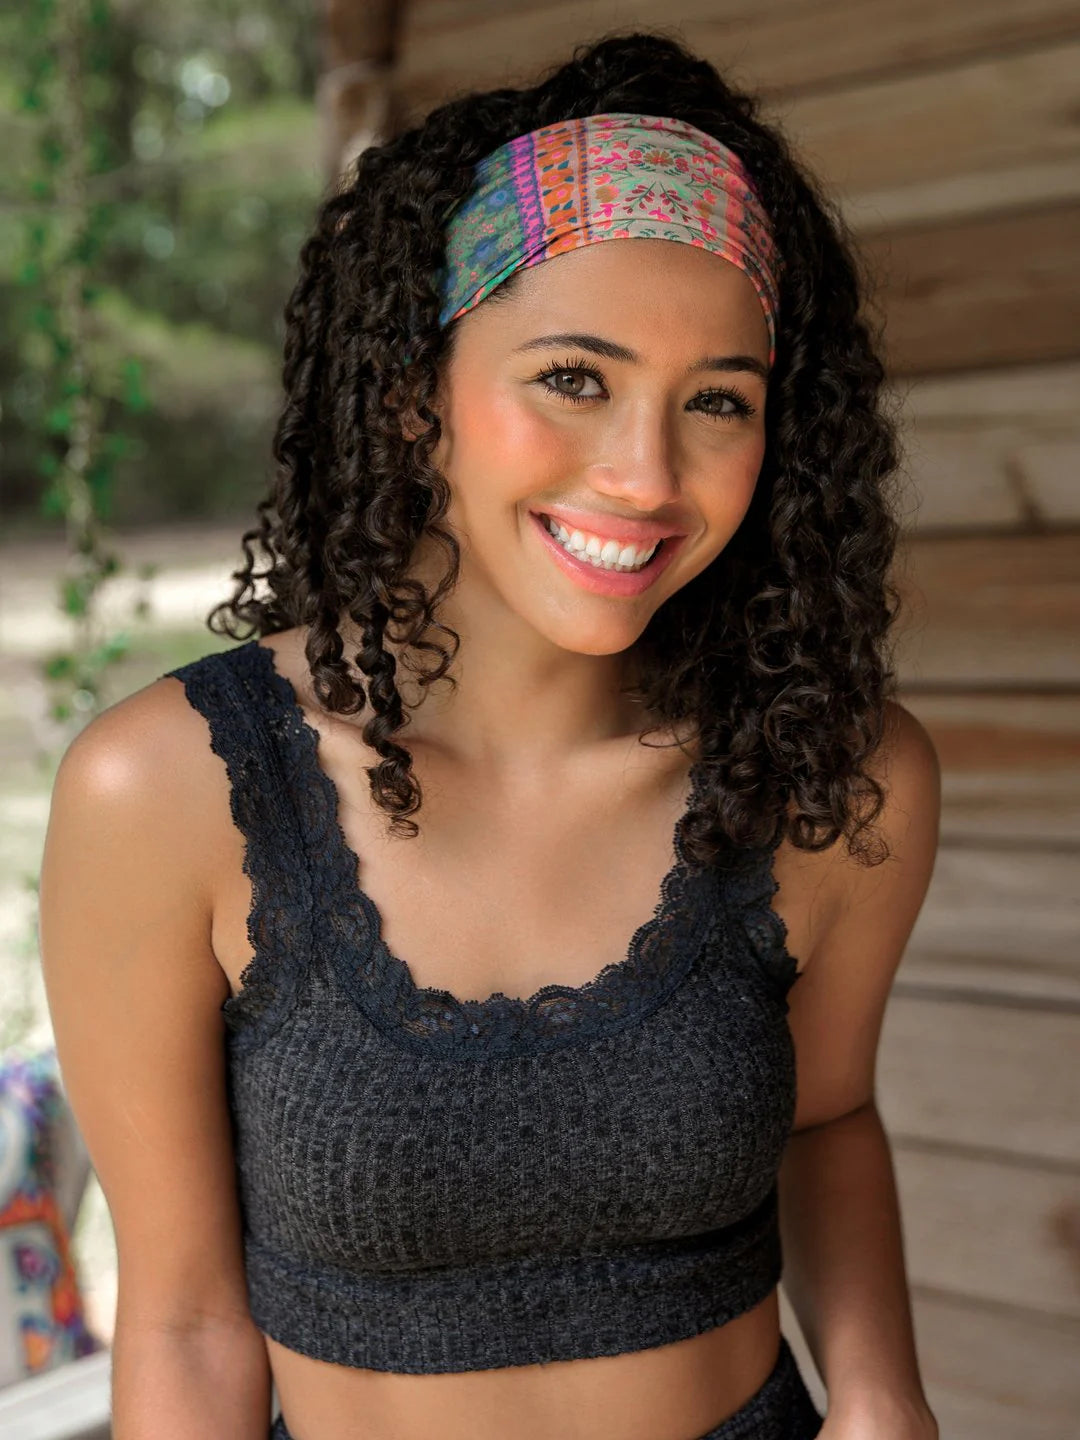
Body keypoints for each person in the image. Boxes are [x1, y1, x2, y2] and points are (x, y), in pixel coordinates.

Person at [37, 28, 943, 1440]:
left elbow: (825, 1117)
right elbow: (186, 1321)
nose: (645, 474)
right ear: (416, 393)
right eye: (574, 377)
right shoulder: (171, 793)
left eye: (718, 400)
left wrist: (883, 1402)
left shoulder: (827, 771)